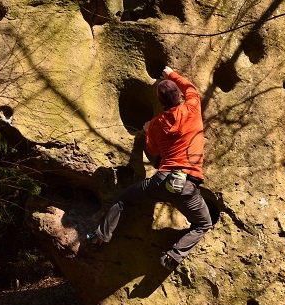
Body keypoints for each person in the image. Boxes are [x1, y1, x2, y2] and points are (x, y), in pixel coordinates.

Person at [87, 66, 212, 270]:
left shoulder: (156, 124)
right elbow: (192, 90)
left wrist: (147, 131)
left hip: (161, 182)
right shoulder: (192, 109)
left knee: (123, 199)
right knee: (203, 224)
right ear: (179, 96)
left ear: (160, 102)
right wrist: (171, 74)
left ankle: (99, 237)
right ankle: (173, 255)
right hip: (186, 185)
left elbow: (153, 151)